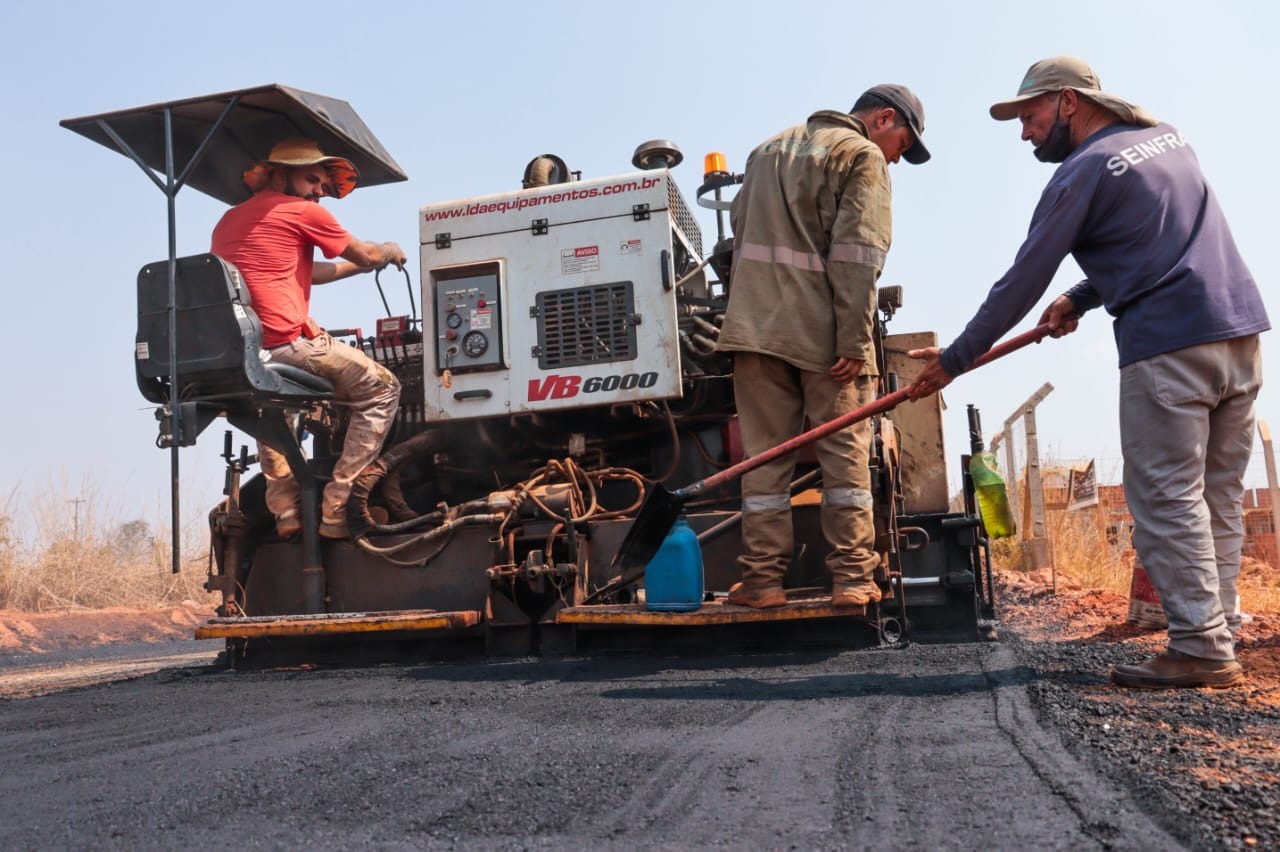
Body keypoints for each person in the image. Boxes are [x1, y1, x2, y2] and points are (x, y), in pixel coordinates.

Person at [908, 57, 1269, 688]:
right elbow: (1155, 237)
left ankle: (1200, 648)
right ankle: (1222, 626)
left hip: (1168, 345)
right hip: (1238, 333)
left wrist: (955, 360)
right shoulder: (1167, 140)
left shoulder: (1082, 171)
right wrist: (1082, 296)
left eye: (1030, 116)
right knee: (1218, 494)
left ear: (1068, 102)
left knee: (1166, 497)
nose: (1024, 133)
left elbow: (1022, 279)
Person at [716, 84, 931, 609]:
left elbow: (738, 235)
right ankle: (854, 579)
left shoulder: (766, 150)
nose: (896, 159)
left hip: (755, 332)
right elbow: (858, 255)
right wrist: (855, 339)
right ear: (883, 119)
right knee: (844, 459)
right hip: (825, 337)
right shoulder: (860, 155)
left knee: (763, 462)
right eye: (902, 145)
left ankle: (763, 582)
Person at [211, 137, 408, 539]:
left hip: (244, 353)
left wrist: (360, 268)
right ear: (281, 174)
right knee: (384, 389)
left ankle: (286, 512)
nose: (321, 191)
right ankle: (338, 507)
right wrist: (386, 251)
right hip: (290, 344)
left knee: (272, 411)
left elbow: (311, 272)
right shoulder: (301, 212)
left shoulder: (230, 220)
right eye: (313, 179)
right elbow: (366, 254)